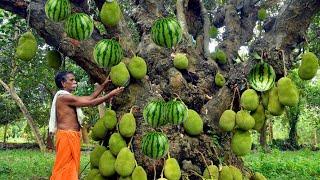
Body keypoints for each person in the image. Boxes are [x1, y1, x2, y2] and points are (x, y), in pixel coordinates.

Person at [49, 71, 124, 180]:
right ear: (63, 83)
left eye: (75, 79)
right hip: (67, 136)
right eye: (71, 80)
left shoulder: (68, 97)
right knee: (64, 167)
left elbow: (89, 98)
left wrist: (103, 86)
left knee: (71, 166)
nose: (75, 82)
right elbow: (90, 103)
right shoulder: (63, 97)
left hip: (72, 136)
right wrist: (111, 94)